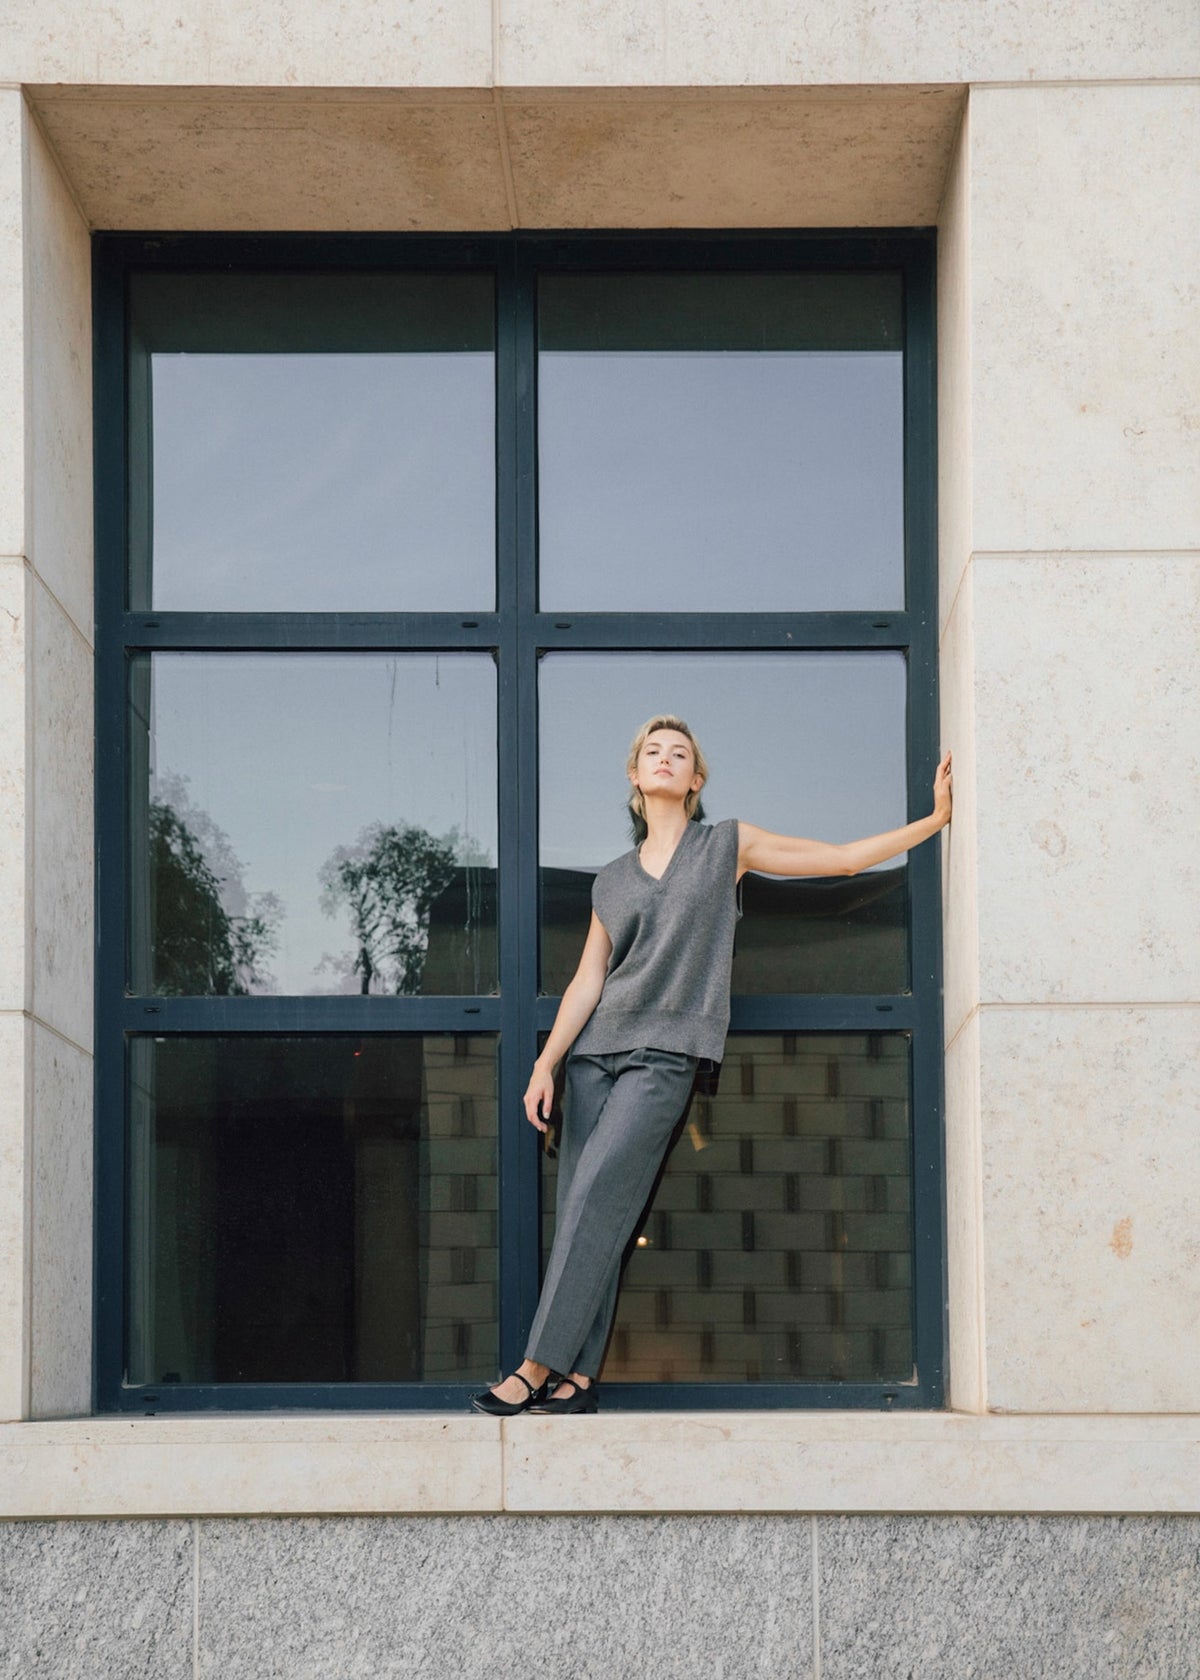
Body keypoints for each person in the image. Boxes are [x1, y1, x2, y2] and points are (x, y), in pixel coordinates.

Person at [470, 713, 953, 1415]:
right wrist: (546, 1063)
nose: (665, 759)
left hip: (665, 1057)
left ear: (695, 781)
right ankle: (578, 1378)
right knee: (590, 1209)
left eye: (680, 754)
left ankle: (535, 1366)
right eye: (653, 752)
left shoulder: (727, 845)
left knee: (599, 1198)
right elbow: (587, 981)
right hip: (593, 1057)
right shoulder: (610, 880)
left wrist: (932, 823)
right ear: (637, 778)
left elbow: (842, 859)